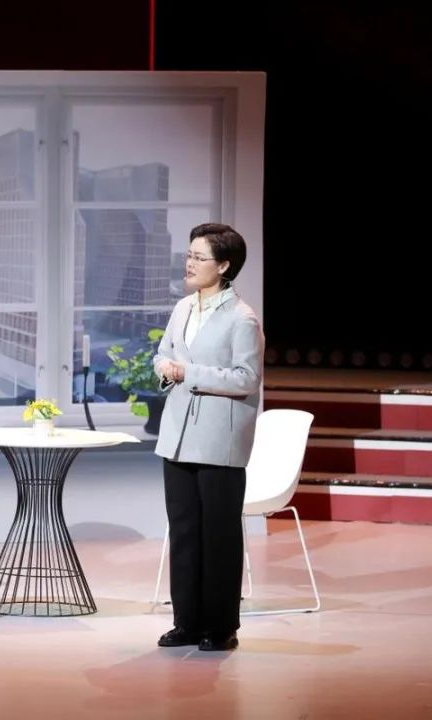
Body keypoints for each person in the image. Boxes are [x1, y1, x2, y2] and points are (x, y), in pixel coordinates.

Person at [153, 222, 264, 652]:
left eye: (199, 257)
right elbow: (164, 353)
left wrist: (189, 372)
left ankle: (220, 627)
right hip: (178, 435)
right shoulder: (183, 308)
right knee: (184, 531)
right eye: (189, 255)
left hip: (219, 439)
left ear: (223, 266)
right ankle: (187, 621)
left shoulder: (242, 318)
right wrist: (165, 368)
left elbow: (246, 378)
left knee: (218, 535)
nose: (190, 263)